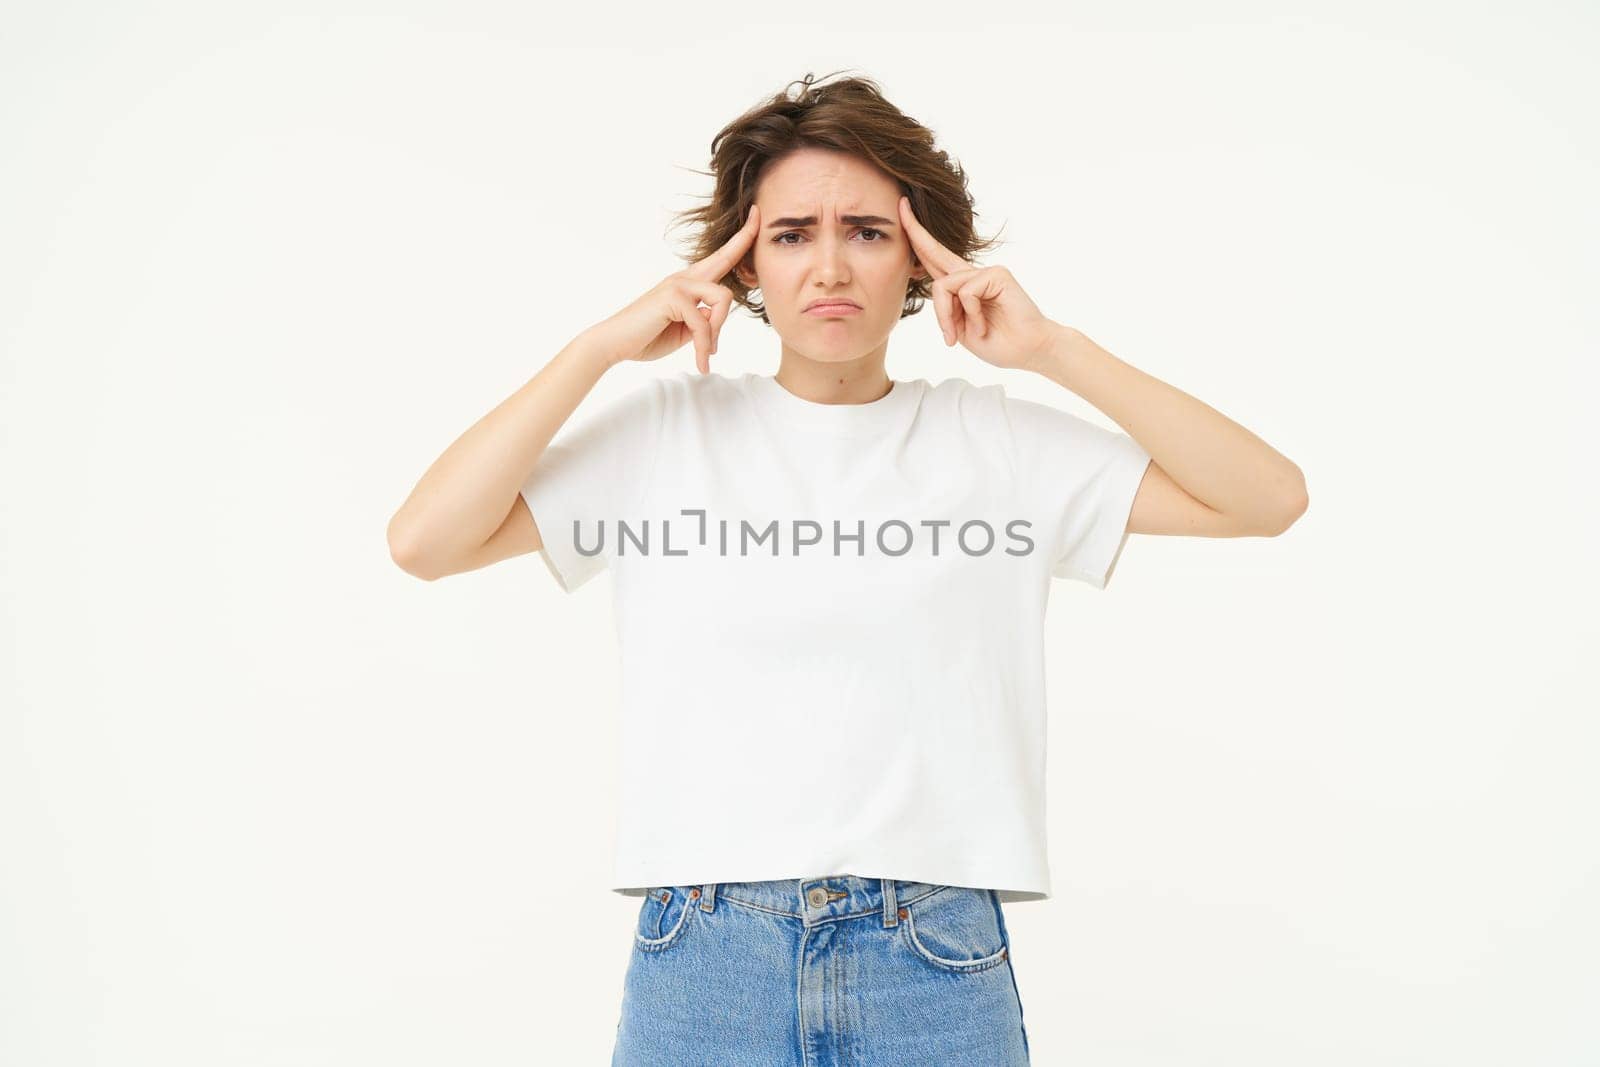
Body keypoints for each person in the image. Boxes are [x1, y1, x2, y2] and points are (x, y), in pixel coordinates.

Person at [387, 70, 1307, 1066]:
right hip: (703, 954)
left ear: (918, 257)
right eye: (790, 235)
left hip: (930, 953)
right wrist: (596, 349)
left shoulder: (992, 444)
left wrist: (1051, 349)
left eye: (866, 230)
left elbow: (1266, 497)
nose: (829, 266)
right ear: (743, 266)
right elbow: (424, 540)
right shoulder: (660, 437)